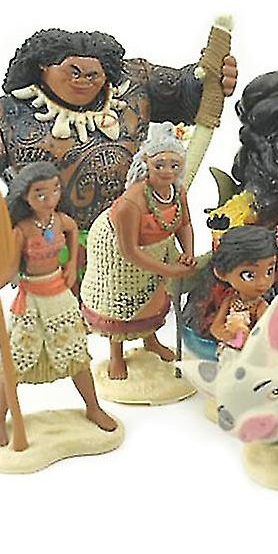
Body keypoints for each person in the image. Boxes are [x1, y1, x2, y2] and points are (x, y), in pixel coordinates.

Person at [0, 27, 237, 231]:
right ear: (42, 67)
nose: (84, 81)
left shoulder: (134, 84)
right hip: (53, 252)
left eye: (92, 75)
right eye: (73, 72)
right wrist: (10, 243)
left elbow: (183, 93)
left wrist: (208, 79)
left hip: (139, 236)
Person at [0, 161, 117, 446]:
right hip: (31, 300)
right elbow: (11, 267)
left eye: (55, 190)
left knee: (77, 355)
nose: (50, 198)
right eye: (40, 194)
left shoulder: (59, 220)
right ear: (25, 197)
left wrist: (71, 263)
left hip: (60, 296)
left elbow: (73, 229)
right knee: (13, 362)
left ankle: (93, 407)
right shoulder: (21, 231)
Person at [80, 123, 197, 379]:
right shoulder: (131, 203)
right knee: (120, 301)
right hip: (118, 254)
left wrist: (188, 251)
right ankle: (116, 354)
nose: (167, 171)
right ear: (147, 163)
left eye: (174, 165)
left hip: (157, 248)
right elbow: (129, 250)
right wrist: (169, 270)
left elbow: (184, 224)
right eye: (160, 165)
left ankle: (150, 340)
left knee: (153, 297)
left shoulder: (178, 192)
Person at [207, 225, 278, 348]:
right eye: (249, 275)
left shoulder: (260, 306)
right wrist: (227, 335)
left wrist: (247, 339)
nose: (263, 282)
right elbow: (216, 327)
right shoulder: (230, 300)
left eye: (269, 271)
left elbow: (266, 333)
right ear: (221, 274)